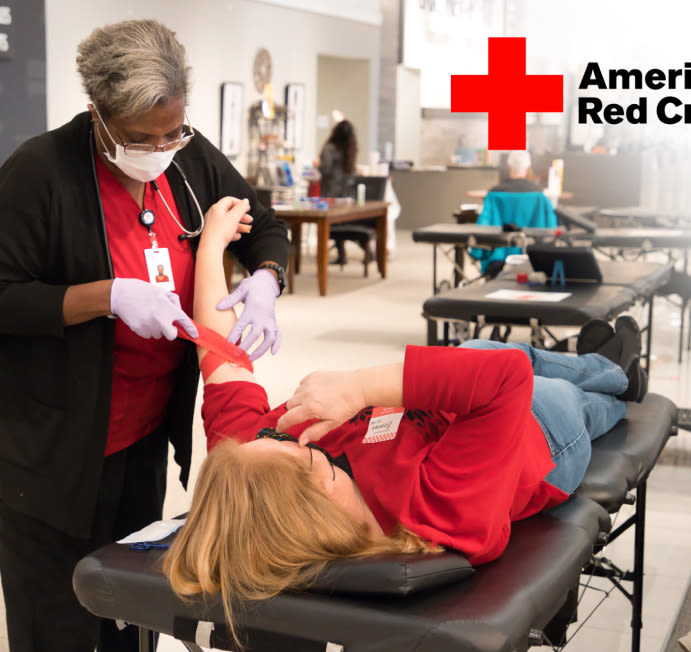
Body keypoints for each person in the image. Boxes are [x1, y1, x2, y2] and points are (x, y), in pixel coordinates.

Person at [161, 200, 648, 640]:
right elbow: (506, 381)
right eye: (291, 447)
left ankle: (598, 363)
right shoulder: (434, 511)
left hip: (459, 399)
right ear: (320, 491)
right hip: (541, 436)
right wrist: (359, 387)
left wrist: (210, 248)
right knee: (560, 389)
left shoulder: (253, 463)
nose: (279, 429)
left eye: (268, 435)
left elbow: (218, 353)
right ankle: (616, 377)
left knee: (479, 349)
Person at [0, 19, 289, 652]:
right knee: (60, 616)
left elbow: (263, 224)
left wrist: (266, 278)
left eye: (172, 131)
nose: (161, 147)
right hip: (55, 450)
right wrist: (105, 297)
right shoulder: (39, 174)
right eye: (140, 137)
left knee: (132, 611)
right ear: (97, 113)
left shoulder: (188, 158)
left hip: (143, 436)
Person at [318, 119, 358, 264]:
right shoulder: (350, 150)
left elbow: (325, 169)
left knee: (332, 225)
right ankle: (364, 252)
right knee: (341, 225)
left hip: (331, 194)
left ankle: (342, 255)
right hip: (347, 195)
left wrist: (317, 166)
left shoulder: (330, 148)